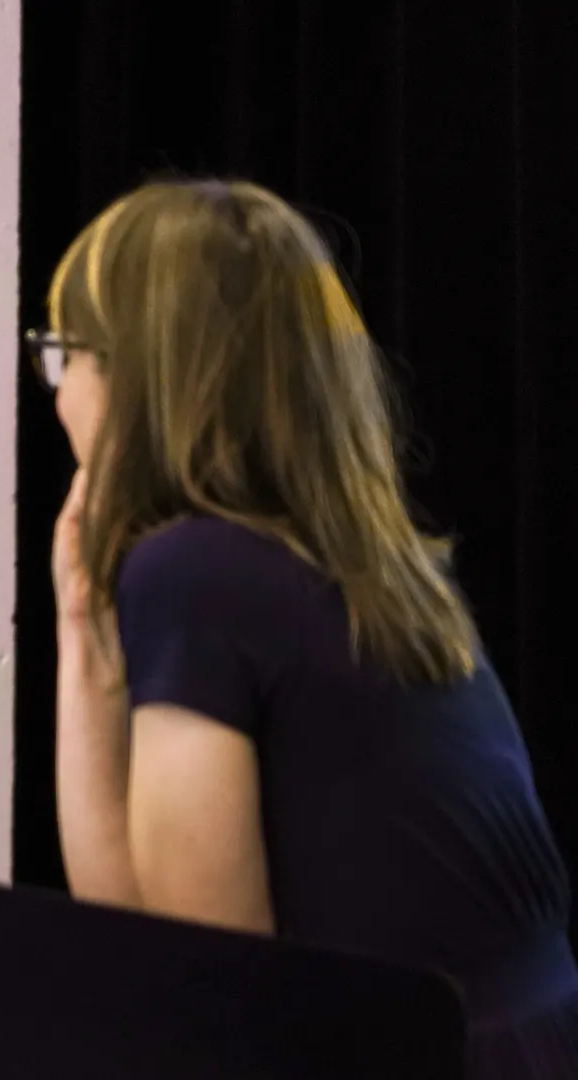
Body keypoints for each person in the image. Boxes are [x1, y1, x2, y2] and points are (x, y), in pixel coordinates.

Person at [43, 179, 578, 1078]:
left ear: (137, 375)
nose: (57, 396)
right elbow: (137, 929)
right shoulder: (365, 560)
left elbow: (199, 985)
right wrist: (82, 636)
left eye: (64, 356)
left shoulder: (196, 573)